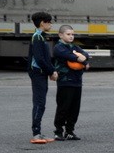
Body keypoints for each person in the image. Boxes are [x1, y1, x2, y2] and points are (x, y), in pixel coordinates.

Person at [52, 25, 90, 141]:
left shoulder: (74, 46)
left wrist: (81, 57)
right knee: (63, 107)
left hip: (77, 81)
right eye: (68, 34)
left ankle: (69, 131)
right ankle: (58, 131)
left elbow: (86, 55)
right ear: (60, 35)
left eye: (72, 34)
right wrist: (79, 57)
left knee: (74, 108)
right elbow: (69, 56)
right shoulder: (59, 47)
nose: (71, 36)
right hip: (65, 82)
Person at [28, 11, 58, 144]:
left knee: (41, 103)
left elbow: (45, 58)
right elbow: (40, 59)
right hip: (37, 73)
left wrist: (51, 71)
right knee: (39, 103)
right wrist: (52, 71)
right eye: (49, 22)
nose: (51, 24)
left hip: (41, 73)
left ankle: (38, 132)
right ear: (42, 23)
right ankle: (36, 134)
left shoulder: (40, 36)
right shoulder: (37, 37)